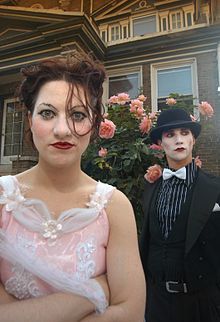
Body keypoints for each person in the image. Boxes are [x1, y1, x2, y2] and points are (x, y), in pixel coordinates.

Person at [0, 53, 146, 322]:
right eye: (47, 113)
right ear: (30, 120)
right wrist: (92, 291)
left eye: (78, 115)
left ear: (93, 125)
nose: (63, 129)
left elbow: (130, 312)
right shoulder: (1, 200)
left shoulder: (114, 207)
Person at [139, 108, 220, 322]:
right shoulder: (150, 188)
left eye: (184, 133)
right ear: (160, 143)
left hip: (202, 304)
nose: (178, 140)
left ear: (193, 139)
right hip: (156, 303)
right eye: (170, 135)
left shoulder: (215, 188)